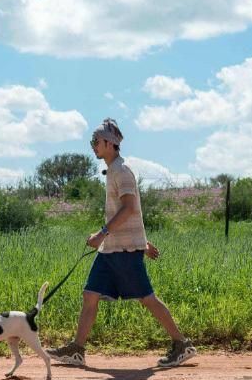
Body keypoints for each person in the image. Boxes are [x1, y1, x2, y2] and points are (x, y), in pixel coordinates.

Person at [46, 118, 196, 367]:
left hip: (123, 251)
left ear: (109, 143)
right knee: (90, 295)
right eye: (92, 141)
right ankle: (76, 350)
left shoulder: (122, 171)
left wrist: (103, 234)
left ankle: (181, 344)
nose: (93, 145)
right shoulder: (113, 170)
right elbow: (130, 212)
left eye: (96, 141)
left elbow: (129, 208)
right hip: (112, 249)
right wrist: (142, 242)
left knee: (147, 298)